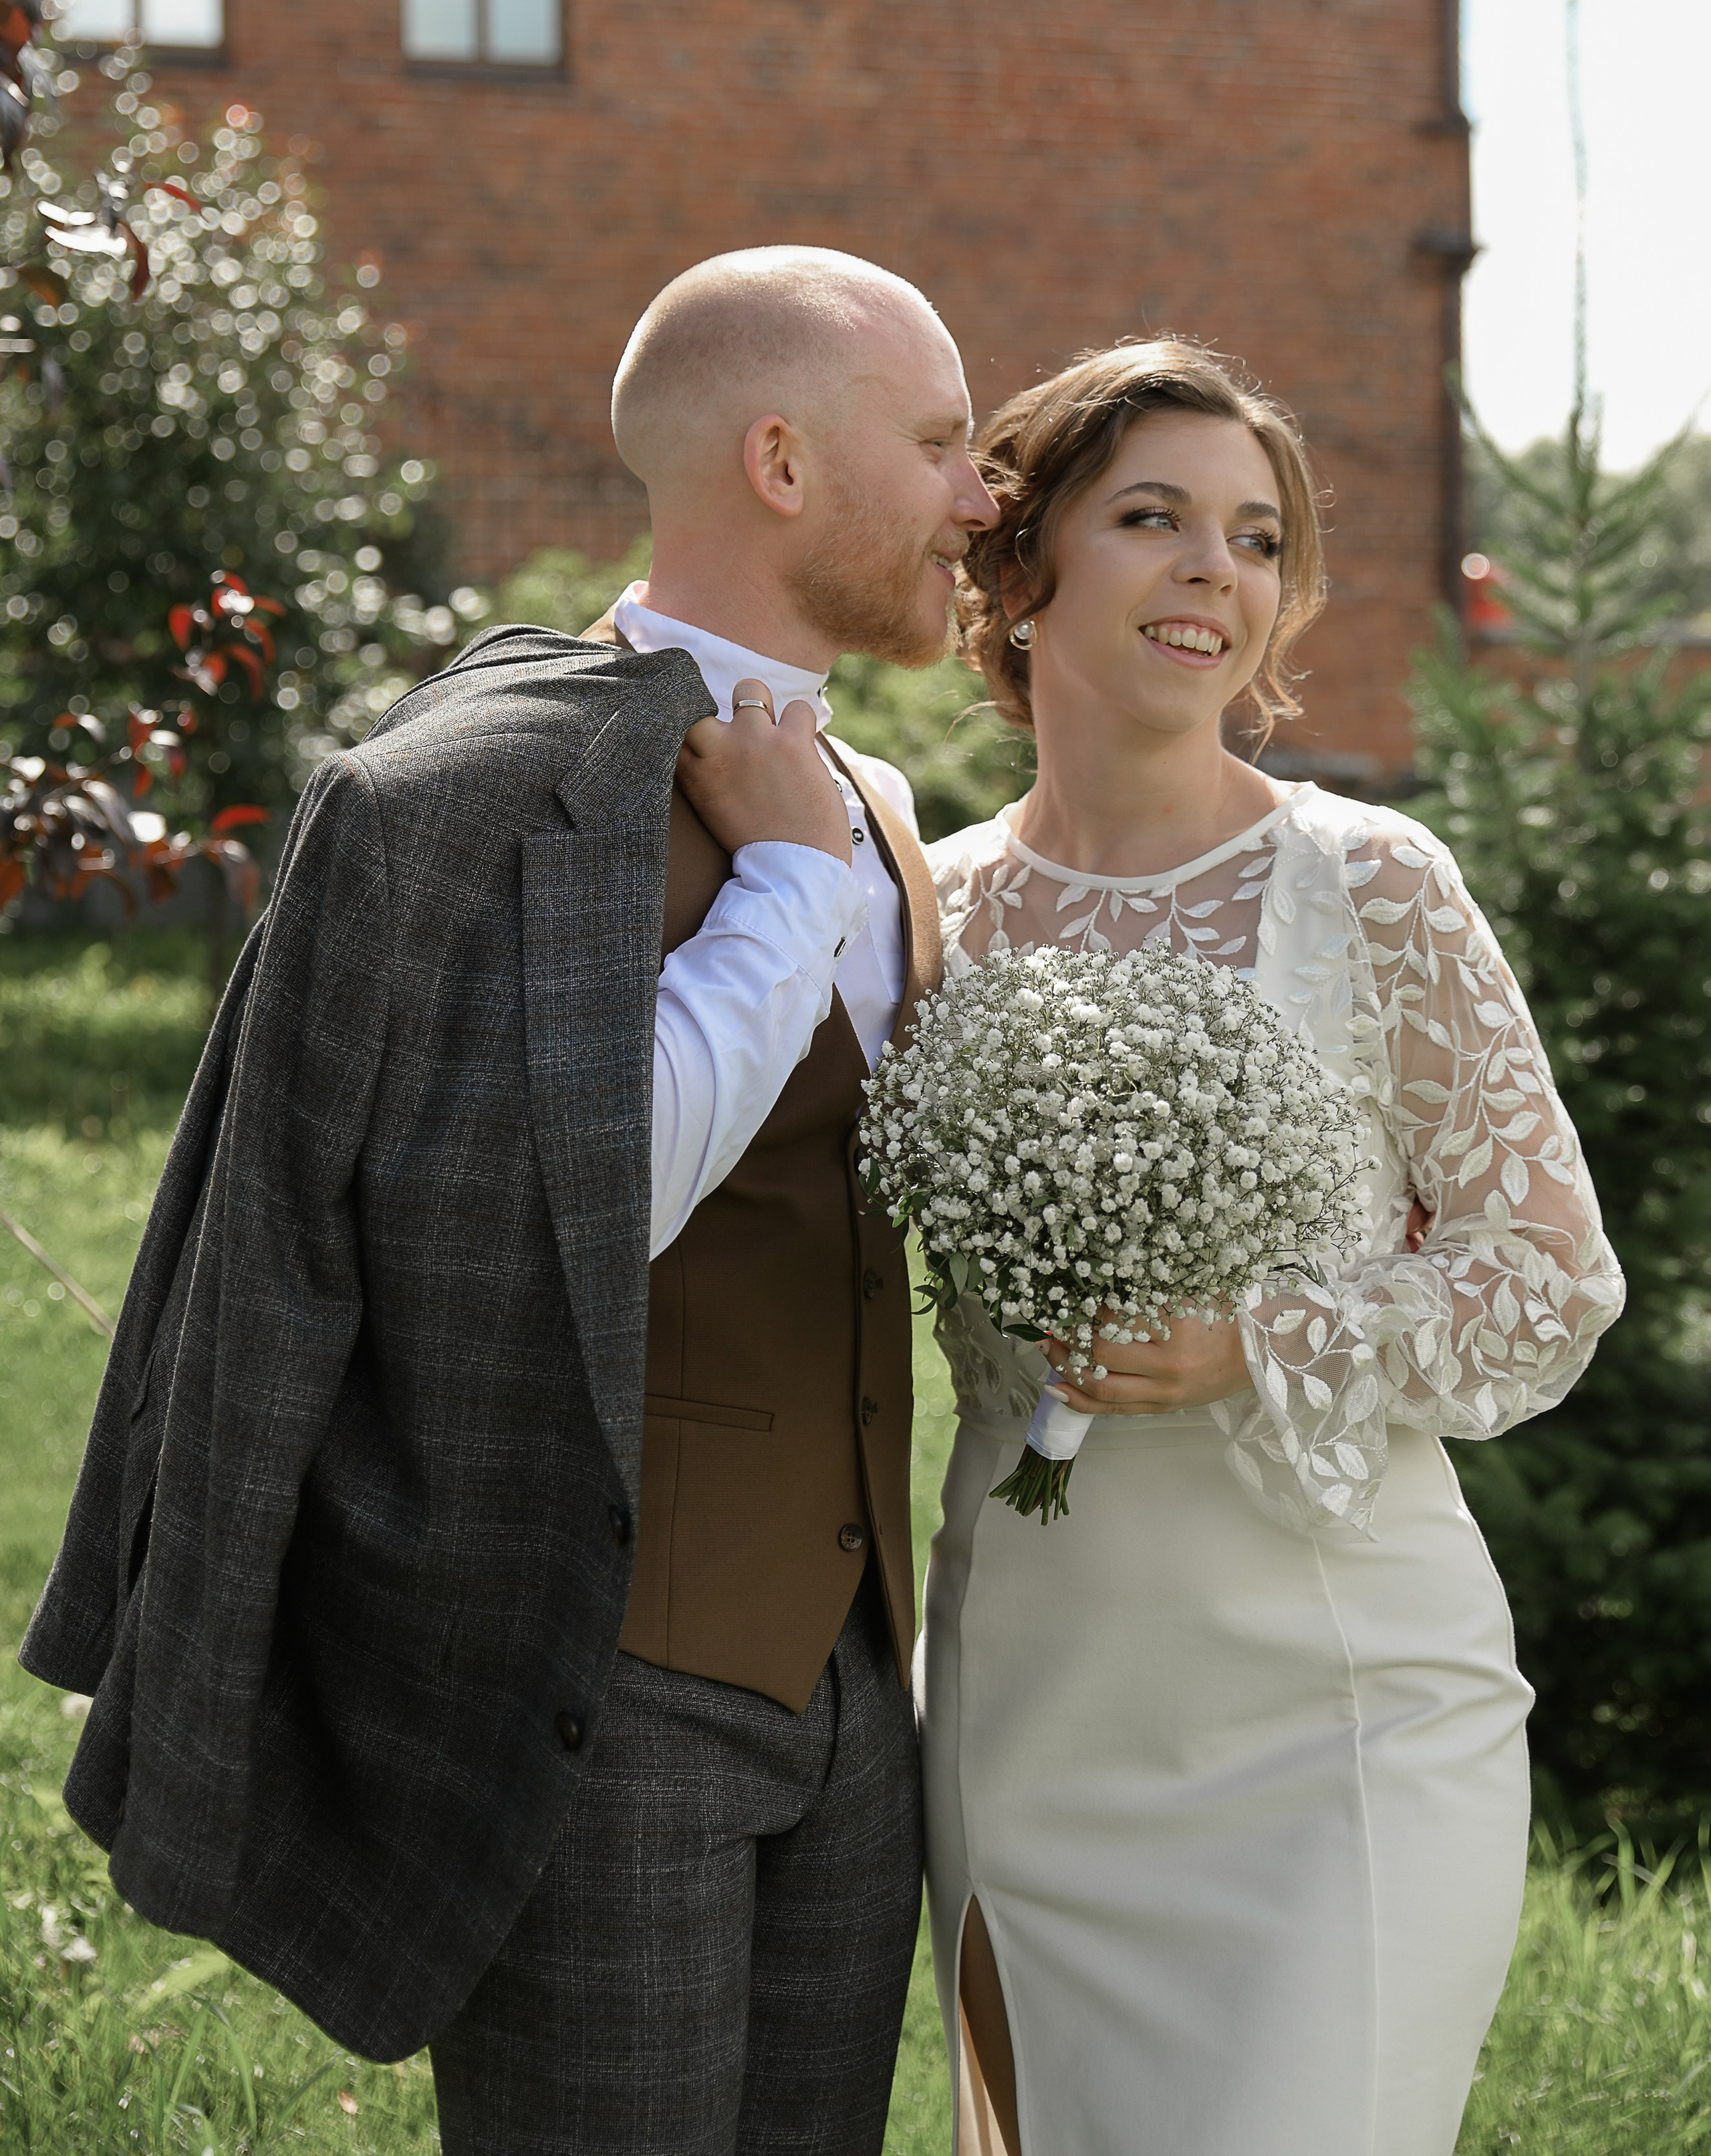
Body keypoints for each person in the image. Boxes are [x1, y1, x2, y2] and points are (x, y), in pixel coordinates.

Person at [20, 245, 997, 2156]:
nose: (983, 493)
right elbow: (560, 1218)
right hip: (595, 1697)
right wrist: (787, 893)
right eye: (947, 440)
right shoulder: (472, 791)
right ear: (783, 462)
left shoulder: (880, 804)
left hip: (858, 1694)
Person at [915, 338, 1623, 2156]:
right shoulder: (925, 910)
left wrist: (1262, 1335)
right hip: (1028, 1716)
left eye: (1254, 535)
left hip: (1339, 1715)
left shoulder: (1371, 883)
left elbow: (1550, 1277)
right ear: (1023, 567)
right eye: (1152, 518)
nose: (1215, 572)